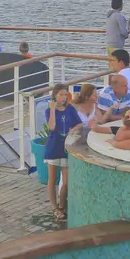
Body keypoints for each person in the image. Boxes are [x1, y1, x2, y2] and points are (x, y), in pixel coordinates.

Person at [44, 83, 84, 221]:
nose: (63, 97)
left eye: (65, 95)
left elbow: (79, 123)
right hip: (53, 147)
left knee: (66, 181)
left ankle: (62, 205)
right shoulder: (49, 110)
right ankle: (54, 207)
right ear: (55, 95)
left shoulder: (70, 109)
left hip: (66, 147)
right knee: (52, 179)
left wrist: (72, 130)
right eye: (61, 94)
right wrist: (53, 110)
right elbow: (52, 127)